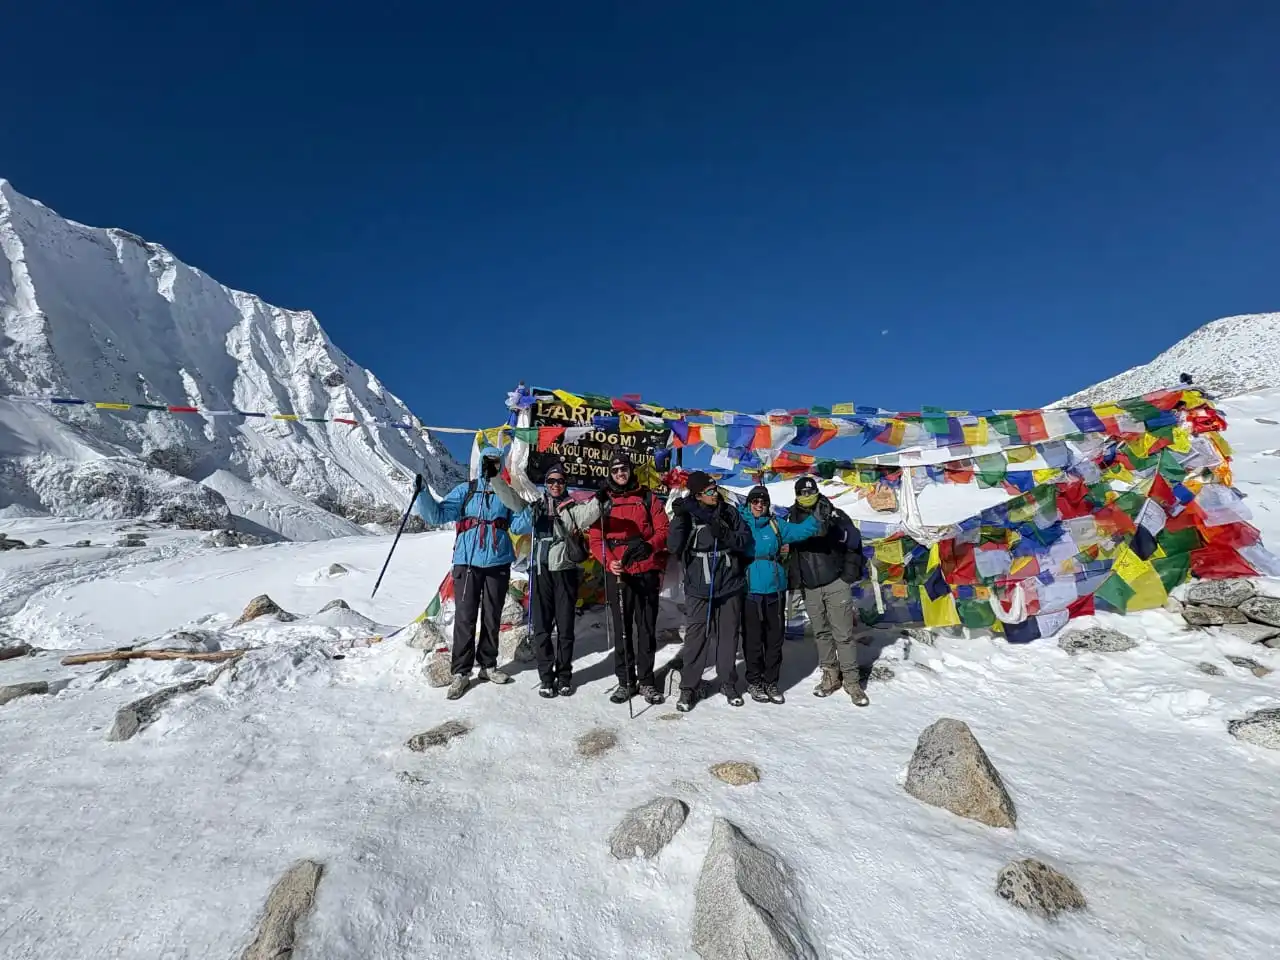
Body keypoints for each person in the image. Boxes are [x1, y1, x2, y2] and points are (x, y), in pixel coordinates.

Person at [413, 446, 533, 700]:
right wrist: (423, 494)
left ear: (500, 464)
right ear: (481, 464)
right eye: (488, 461)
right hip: (466, 562)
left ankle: (488, 666)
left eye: (495, 462)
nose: (491, 466)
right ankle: (461, 671)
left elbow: (521, 523)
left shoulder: (506, 493)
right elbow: (438, 514)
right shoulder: (465, 491)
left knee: (492, 616)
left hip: (498, 563)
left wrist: (530, 507)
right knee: (465, 617)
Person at [491, 458, 600, 698]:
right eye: (551, 481)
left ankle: (564, 676)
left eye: (560, 481)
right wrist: (494, 478)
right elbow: (511, 500)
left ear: (565, 484)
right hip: (540, 572)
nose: (555, 485)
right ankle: (546, 677)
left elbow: (592, 511)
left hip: (565, 572)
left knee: (565, 628)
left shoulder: (573, 509)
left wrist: (608, 493)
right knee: (541, 629)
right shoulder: (536, 507)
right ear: (545, 484)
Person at [587, 451, 670, 705]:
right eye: (615, 470)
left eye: (624, 469)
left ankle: (646, 681)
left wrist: (650, 545)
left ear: (630, 470)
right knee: (622, 630)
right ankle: (625, 681)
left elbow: (664, 529)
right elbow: (595, 538)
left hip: (645, 568)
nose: (620, 473)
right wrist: (608, 560)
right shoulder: (602, 501)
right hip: (619, 572)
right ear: (609, 473)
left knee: (646, 628)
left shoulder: (647, 497)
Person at [667, 471, 754, 712]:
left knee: (728, 637)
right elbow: (673, 546)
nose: (714, 494)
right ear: (697, 494)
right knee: (696, 638)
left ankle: (728, 682)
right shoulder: (688, 515)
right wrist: (679, 517)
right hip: (698, 586)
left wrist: (724, 533)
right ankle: (689, 686)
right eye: (709, 490)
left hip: (729, 584)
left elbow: (744, 539)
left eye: (715, 489)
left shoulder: (728, 512)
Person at [786, 476, 869, 706]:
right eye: (802, 492)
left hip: (835, 583)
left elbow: (854, 542)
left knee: (843, 634)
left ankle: (852, 682)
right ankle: (830, 675)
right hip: (810, 587)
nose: (806, 495)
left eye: (810, 491)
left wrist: (847, 577)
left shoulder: (834, 514)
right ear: (796, 494)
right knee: (821, 634)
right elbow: (790, 552)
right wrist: (796, 581)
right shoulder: (791, 518)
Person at [739, 485, 825, 704]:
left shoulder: (776, 525)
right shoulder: (741, 523)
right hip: (750, 590)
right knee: (753, 639)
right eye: (755, 501)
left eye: (763, 502)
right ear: (749, 503)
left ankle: (771, 681)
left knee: (775, 639)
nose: (759, 505)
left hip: (776, 589)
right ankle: (754, 681)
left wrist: (817, 517)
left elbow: (801, 531)